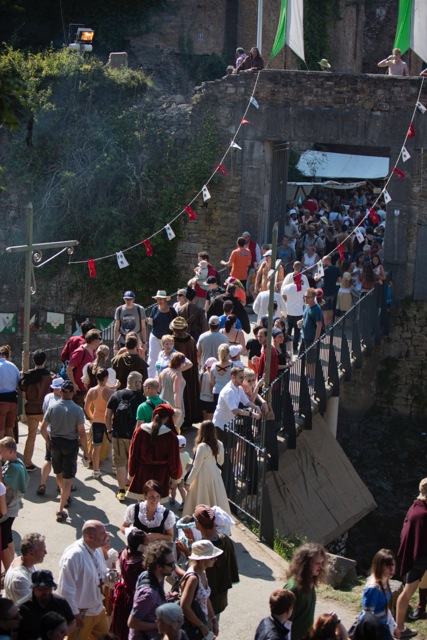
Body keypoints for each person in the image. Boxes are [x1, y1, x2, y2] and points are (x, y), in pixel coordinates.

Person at [40, 381, 89, 522]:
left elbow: (43, 429)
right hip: (70, 444)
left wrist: (48, 442)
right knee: (68, 478)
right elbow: (82, 433)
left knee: (59, 473)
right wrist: (86, 451)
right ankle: (61, 508)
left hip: (55, 443)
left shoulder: (52, 407)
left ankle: (64, 496)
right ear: (73, 393)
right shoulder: (77, 410)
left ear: (61, 392)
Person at [57, 520, 109, 640]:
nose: (106, 535)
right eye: (103, 533)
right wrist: (74, 614)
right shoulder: (74, 556)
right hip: (82, 614)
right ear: (90, 537)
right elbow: (65, 589)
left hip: (98, 609)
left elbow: (101, 571)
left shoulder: (97, 549)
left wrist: (111, 575)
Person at [192, 504, 239, 616]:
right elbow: (233, 567)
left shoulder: (202, 548)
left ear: (197, 523)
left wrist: (185, 552)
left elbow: (195, 571)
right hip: (221, 595)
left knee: (208, 623)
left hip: (204, 600)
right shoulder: (226, 540)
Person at [127, 404, 181, 500]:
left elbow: (133, 455)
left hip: (142, 473)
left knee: (142, 503)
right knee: (156, 504)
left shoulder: (140, 431)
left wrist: (131, 473)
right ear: (168, 418)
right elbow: (174, 460)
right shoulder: (171, 436)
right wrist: (175, 478)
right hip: (161, 475)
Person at [105, 371, 145, 502]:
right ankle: (132, 488)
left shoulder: (116, 395)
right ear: (137, 382)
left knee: (120, 464)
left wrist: (109, 431)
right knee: (135, 463)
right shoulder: (142, 398)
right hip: (135, 436)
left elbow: (107, 415)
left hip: (118, 435)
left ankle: (121, 491)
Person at [395, 478, 427, 637]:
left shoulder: (416, 506)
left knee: (423, 582)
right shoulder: (423, 514)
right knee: (407, 593)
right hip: (419, 559)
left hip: (417, 556)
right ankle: (399, 628)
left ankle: (420, 608)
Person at [127, 541, 175, 640]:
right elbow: (132, 623)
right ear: (159, 567)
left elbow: (152, 604)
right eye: (171, 564)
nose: (174, 567)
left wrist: (167, 597)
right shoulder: (149, 594)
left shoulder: (150, 576)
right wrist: (162, 626)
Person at [183, 421, 231, 516]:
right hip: (215, 473)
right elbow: (221, 462)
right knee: (216, 498)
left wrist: (188, 482)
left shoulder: (202, 447)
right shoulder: (219, 444)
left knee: (201, 498)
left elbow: (196, 467)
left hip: (202, 475)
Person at [284, 543, 327, 640]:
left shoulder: (309, 582)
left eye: (322, 563)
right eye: (317, 563)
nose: (321, 567)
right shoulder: (293, 588)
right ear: (306, 564)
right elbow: (284, 622)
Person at [180, 540, 222, 639]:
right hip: (193, 625)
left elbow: (205, 598)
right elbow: (185, 607)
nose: (215, 559)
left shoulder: (202, 573)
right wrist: (201, 625)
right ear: (203, 559)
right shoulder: (193, 579)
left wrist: (213, 619)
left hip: (201, 620)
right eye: (212, 557)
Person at [19, 349, 52, 472]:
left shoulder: (28, 375)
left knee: (31, 436)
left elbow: (23, 395)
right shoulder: (49, 376)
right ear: (45, 360)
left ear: (33, 360)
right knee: (48, 435)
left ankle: (27, 462)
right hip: (44, 410)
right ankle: (50, 459)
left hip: (30, 409)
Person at [18, 570, 75, 640]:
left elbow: (72, 622)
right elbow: (15, 631)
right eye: (41, 589)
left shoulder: (61, 602)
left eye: (49, 588)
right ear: (33, 588)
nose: (47, 592)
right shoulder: (23, 607)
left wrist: (61, 634)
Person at [110, 529, 146, 640]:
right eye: (147, 542)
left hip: (124, 595)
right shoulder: (140, 563)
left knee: (120, 625)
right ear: (141, 546)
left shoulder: (124, 551)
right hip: (133, 598)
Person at [357, 549, 399, 639]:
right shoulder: (373, 589)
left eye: (392, 564)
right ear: (379, 566)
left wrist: (394, 625)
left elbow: (385, 608)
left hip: (382, 628)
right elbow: (367, 616)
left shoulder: (384, 580)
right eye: (387, 566)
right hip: (373, 632)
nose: (391, 569)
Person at [0, 437, 29, 571]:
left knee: (3, 545)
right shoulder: (12, 463)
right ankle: (13, 567)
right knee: (8, 538)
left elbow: (2, 487)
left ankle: (9, 572)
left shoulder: (15, 468)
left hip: (8, 510)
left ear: (11, 451)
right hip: (10, 507)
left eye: (2, 452)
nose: (1, 454)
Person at [168, 317, 201, 427]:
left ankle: (179, 421)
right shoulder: (191, 340)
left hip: (178, 372)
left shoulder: (172, 342)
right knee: (189, 393)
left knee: (178, 394)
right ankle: (189, 418)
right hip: (190, 372)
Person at [212, 367, 261, 443]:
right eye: (241, 377)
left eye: (243, 377)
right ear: (233, 377)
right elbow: (234, 410)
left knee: (231, 447)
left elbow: (246, 402)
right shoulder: (229, 391)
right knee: (221, 448)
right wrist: (251, 414)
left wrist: (256, 407)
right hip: (220, 425)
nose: (243, 379)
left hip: (230, 424)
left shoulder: (239, 388)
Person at [120, 479, 175, 545]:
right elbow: (123, 527)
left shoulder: (166, 514)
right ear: (145, 495)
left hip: (155, 550)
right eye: (151, 497)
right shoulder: (135, 509)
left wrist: (158, 536)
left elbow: (170, 537)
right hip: (136, 548)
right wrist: (133, 533)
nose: (155, 500)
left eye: (157, 496)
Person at [84, 369, 115, 479]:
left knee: (96, 447)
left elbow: (86, 407)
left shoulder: (92, 391)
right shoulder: (110, 392)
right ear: (106, 378)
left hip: (96, 421)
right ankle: (114, 468)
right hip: (108, 421)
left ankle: (96, 471)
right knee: (113, 445)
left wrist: (92, 417)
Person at [4, 533, 46, 604]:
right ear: (31, 554)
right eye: (43, 550)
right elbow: (28, 607)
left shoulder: (24, 561)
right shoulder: (19, 579)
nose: (46, 552)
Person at [66, 329, 103, 408]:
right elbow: (69, 369)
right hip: (79, 390)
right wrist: (74, 385)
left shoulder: (95, 352)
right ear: (94, 340)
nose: (101, 341)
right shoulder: (80, 352)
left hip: (89, 389)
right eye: (99, 338)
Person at [147, 291, 177, 378]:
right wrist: (148, 320)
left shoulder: (172, 310)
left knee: (169, 358)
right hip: (155, 336)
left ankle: (167, 378)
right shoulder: (155, 309)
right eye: (158, 299)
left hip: (168, 338)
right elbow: (152, 321)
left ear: (165, 299)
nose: (159, 301)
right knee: (152, 358)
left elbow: (176, 323)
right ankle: (150, 379)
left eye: (160, 299)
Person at [158, 353, 191, 431]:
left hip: (162, 401)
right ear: (181, 363)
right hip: (173, 403)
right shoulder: (177, 374)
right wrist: (177, 408)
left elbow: (158, 389)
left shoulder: (163, 371)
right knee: (173, 427)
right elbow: (176, 392)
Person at [301, 288, 323, 384]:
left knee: (311, 360)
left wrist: (315, 341)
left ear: (313, 297)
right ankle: (308, 375)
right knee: (306, 358)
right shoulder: (306, 306)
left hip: (311, 338)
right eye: (304, 296)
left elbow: (319, 325)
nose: (305, 298)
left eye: (307, 297)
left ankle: (312, 378)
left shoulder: (317, 309)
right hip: (304, 337)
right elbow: (305, 318)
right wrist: (301, 322)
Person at [0, 349, 20, 439]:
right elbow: (19, 383)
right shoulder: (13, 365)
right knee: (10, 430)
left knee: (1, 431)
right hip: (13, 400)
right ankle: (12, 447)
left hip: (2, 401)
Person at [170, 435, 191, 508]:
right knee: (181, 488)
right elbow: (188, 465)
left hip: (174, 475)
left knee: (173, 488)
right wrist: (185, 473)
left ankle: (173, 500)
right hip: (182, 476)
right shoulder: (186, 454)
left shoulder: (173, 454)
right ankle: (184, 501)